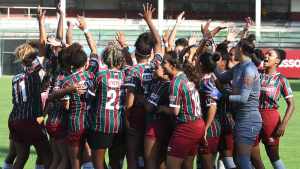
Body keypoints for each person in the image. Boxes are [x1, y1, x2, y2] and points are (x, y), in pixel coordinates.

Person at [214, 38, 262, 169]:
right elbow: (222, 77)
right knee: (240, 159)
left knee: (243, 160)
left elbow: (243, 98)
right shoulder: (239, 66)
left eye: (235, 46)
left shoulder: (249, 70)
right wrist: (211, 64)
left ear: (240, 49)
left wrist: (224, 96)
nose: (233, 49)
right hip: (241, 118)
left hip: (249, 119)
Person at [125, 3, 163, 169]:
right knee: (151, 157)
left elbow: (129, 101)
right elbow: (159, 43)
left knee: (132, 156)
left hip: (136, 114)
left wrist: (126, 119)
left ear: (135, 50)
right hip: (154, 114)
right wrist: (149, 21)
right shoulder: (156, 65)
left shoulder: (132, 71)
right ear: (151, 53)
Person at [158, 51, 205, 169]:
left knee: (172, 165)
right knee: (187, 165)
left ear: (172, 65)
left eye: (164, 62)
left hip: (187, 127)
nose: (161, 65)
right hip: (198, 124)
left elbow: (175, 111)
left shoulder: (175, 82)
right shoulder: (186, 77)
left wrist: (163, 108)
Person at [8, 42, 51, 169]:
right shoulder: (35, 73)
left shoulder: (16, 77)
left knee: (22, 156)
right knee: (47, 155)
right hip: (30, 119)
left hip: (14, 118)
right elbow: (43, 47)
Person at [86, 43, 126, 169]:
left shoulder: (100, 76)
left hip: (100, 124)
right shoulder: (125, 76)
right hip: (119, 124)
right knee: (116, 164)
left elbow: (89, 98)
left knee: (98, 164)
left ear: (105, 59)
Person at [255, 49, 295, 169]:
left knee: (273, 155)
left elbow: (291, 104)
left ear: (277, 61)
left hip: (270, 118)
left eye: (270, 55)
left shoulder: (281, 79)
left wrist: (283, 125)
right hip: (252, 116)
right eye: (266, 54)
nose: (266, 56)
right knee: (251, 154)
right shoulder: (256, 73)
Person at [144, 64, 174, 169]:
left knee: (150, 159)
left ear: (164, 71)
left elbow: (149, 107)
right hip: (169, 126)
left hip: (155, 126)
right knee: (162, 159)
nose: (153, 71)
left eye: (156, 69)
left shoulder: (162, 84)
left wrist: (142, 99)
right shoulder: (174, 83)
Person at [197, 52, 222, 169]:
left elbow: (213, 105)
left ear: (201, 64)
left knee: (207, 164)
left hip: (209, 127)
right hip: (214, 124)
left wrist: (205, 129)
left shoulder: (206, 82)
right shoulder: (212, 76)